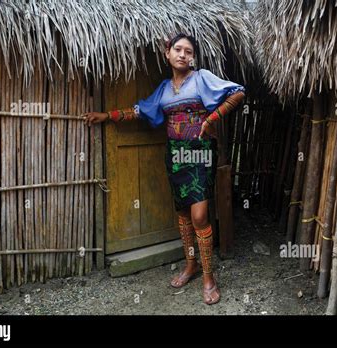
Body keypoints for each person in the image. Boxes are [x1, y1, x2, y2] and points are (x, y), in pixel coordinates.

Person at [84, 33, 245, 305]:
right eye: (178, 49)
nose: (183, 54)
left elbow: (238, 92)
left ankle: (209, 277)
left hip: (201, 153)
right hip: (175, 155)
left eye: (189, 51)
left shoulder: (202, 78)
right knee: (182, 212)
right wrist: (106, 116)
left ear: (193, 57)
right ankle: (190, 264)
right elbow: (140, 111)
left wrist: (211, 119)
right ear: (167, 53)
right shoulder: (164, 89)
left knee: (200, 216)